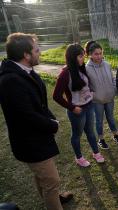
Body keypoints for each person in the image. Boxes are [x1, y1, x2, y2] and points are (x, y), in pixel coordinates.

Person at [0, 33, 73, 210]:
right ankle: (52, 198)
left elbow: (39, 103)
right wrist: (52, 125)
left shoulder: (24, 71)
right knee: (51, 180)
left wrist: (51, 118)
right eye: (37, 50)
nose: (39, 53)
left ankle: (52, 196)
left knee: (43, 176)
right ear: (26, 55)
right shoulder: (11, 80)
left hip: (38, 136)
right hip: (30, 141)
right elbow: (27, 116)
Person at [53, 43, 105, 167]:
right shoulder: (65, 74)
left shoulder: (81, 68)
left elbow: (86, 84)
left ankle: (96, 153)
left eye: (83, 56)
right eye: (81, 56)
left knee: (91, 132)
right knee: (77, 135)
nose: (84, 58)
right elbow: (56, 96)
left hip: (89, 106)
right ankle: (79, 157)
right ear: (72, 57)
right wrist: (72, 108)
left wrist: (91, 93)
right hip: (77, 110)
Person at [84, 41, 118, 149]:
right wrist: (93, 95)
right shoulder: (87, 69)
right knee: (99, 120)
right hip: (97, 100)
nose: (99, 56)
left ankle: (116, 135)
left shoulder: (107, 65)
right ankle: (101, 139)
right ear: (90, 54)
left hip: (110, 98)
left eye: (100, 53)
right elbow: (86, 86)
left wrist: (113, 90)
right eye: (96, 54)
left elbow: (113, 79)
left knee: (111, 117)